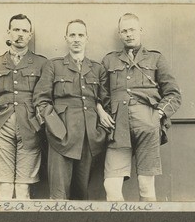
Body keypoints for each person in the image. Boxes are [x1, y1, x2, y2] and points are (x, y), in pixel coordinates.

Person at [100, 13, 182, 202]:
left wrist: (157, 114)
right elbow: (100, 93)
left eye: (132, 30)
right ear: (120, 34)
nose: (128, 34)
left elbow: (174, 94)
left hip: (147, 126)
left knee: (146, 187)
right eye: (124, 31)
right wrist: (102, 111)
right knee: (111, 185)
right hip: (117, 127)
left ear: (140, 31)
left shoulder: (156, 59)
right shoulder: (109, 60)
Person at [33, 19, 111, 200]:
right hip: (61, 138)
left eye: (81, 35)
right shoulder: (54, 65)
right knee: (58, 196)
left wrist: (100, 127)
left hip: (89, 139)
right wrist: (56, 130)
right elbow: (41, 100)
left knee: (81, 195)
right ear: (66, 38)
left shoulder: (97, 69)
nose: (76, 39)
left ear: (87, 38)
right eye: (72, 35)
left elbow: (106, 102)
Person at [0, 14, 47, 199]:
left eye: (25, 30)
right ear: (9, 32)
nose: (20, 34)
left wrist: (39, 123)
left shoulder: (42, 63)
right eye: (16, 29)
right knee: (5, 186)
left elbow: (46, 97)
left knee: (24, 189)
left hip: (30, 129)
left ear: (30, 35)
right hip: (3, 128)